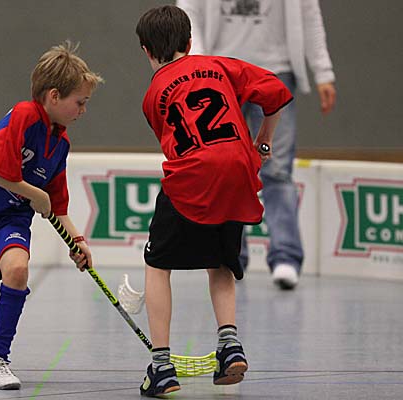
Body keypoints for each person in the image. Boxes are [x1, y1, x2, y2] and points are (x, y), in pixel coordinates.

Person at [135, 5, 292, 396]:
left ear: (146, 51)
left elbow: (174, 141)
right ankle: (229, 345)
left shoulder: (152, 96)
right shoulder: (219, 65)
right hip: (239, 170)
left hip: (193, 175)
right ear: (190, 43)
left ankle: (161, 367)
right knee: (221, 260)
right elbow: (276, 92)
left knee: (157, 264)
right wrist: (263, 140)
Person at [0, 41, 103, 390]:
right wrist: (35, 194)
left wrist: (77, 241)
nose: (83, 110)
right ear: (54, 96)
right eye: (80, 102)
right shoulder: (23, 116)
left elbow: (56, 206)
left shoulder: (60, 144)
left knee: (17, 269)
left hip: (10, 219)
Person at [176, 0, 337, 289]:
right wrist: (197, 64)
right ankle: (232, 254)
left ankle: (285, 256)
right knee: (227, 169)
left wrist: (323, 72)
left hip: (276, 71)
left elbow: (309, 16)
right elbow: (188, 12)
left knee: (277, 170)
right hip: (220, 73)